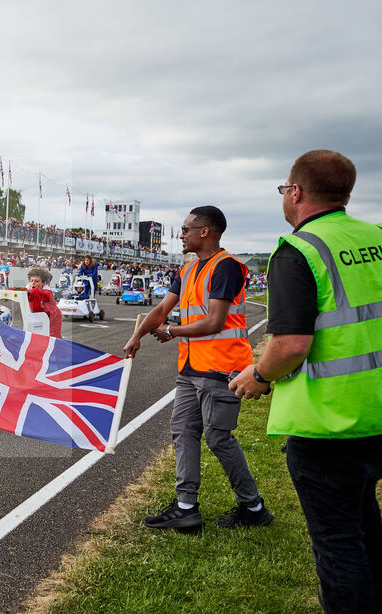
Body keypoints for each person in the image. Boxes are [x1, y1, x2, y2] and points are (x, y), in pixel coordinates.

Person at [229, 150, 382, 612]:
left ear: (295, 192)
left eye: (284, 190)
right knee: (365, 524)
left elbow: (292, 344)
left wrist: (258, 375)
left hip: (329, 421)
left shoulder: (299, 249)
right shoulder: (376, 237)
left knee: (338, 545)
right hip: (376, 410)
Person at [124, 205, 270, 532]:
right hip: (191, 369)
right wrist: (138, 335)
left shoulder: (227, 267)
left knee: (218, 438)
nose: (181, 234)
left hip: (222, 367)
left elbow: (215, 322)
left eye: (187, 229)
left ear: (205, 231)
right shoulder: (188, 269)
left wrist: (172, 332)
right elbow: (163, 308)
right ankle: (186, 508)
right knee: (183, 431)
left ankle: (254, 506)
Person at [26, 267, 62, 338]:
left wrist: (24, 292)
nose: (33, 283)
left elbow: (36, 293)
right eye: (31, 281)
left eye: (36, 281)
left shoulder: (47, 293)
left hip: (53, 319)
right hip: (40, 319)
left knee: (52, 340)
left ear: (43, 283)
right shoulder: (30, 290)